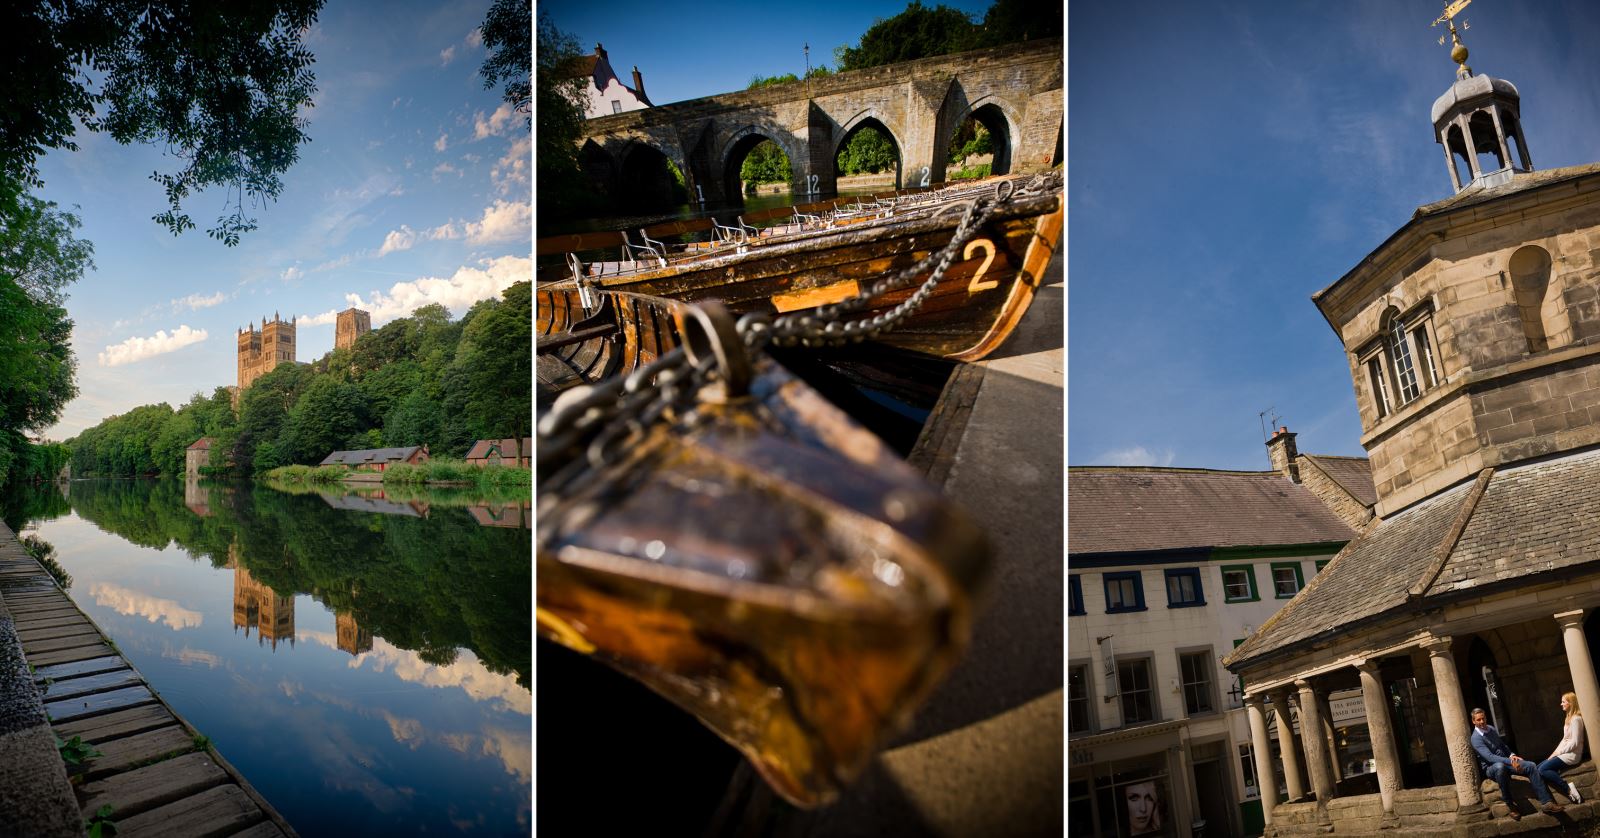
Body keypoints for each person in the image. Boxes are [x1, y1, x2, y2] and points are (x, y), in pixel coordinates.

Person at [1472, 707, 1564, 820]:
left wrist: (1512, 756)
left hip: (1506, 761)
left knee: (1531, 765)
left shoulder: (1491, 728)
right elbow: (1490, 758)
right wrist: (1511, 762)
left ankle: (1547, 803)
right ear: (1474, 721)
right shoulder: (1475, 738)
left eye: (1483, 718)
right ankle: (1510, 805)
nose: (1482, 722)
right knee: (1500, 767)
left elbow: (1502, 745)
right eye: (1478, 720)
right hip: (1492, 767)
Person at [1537, 691, 1585, 804]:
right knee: (1537, 768)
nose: (1561, 704)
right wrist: (1554, 753)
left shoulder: (1576, 719)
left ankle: (1568, 789)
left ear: (1571, 703)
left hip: (1572, 755)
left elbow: (1575, 742)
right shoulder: (1568, 718)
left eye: (1563, 702)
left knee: (1542, 769)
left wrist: (1558, 753)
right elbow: (1565, 739)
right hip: (1564, 753)